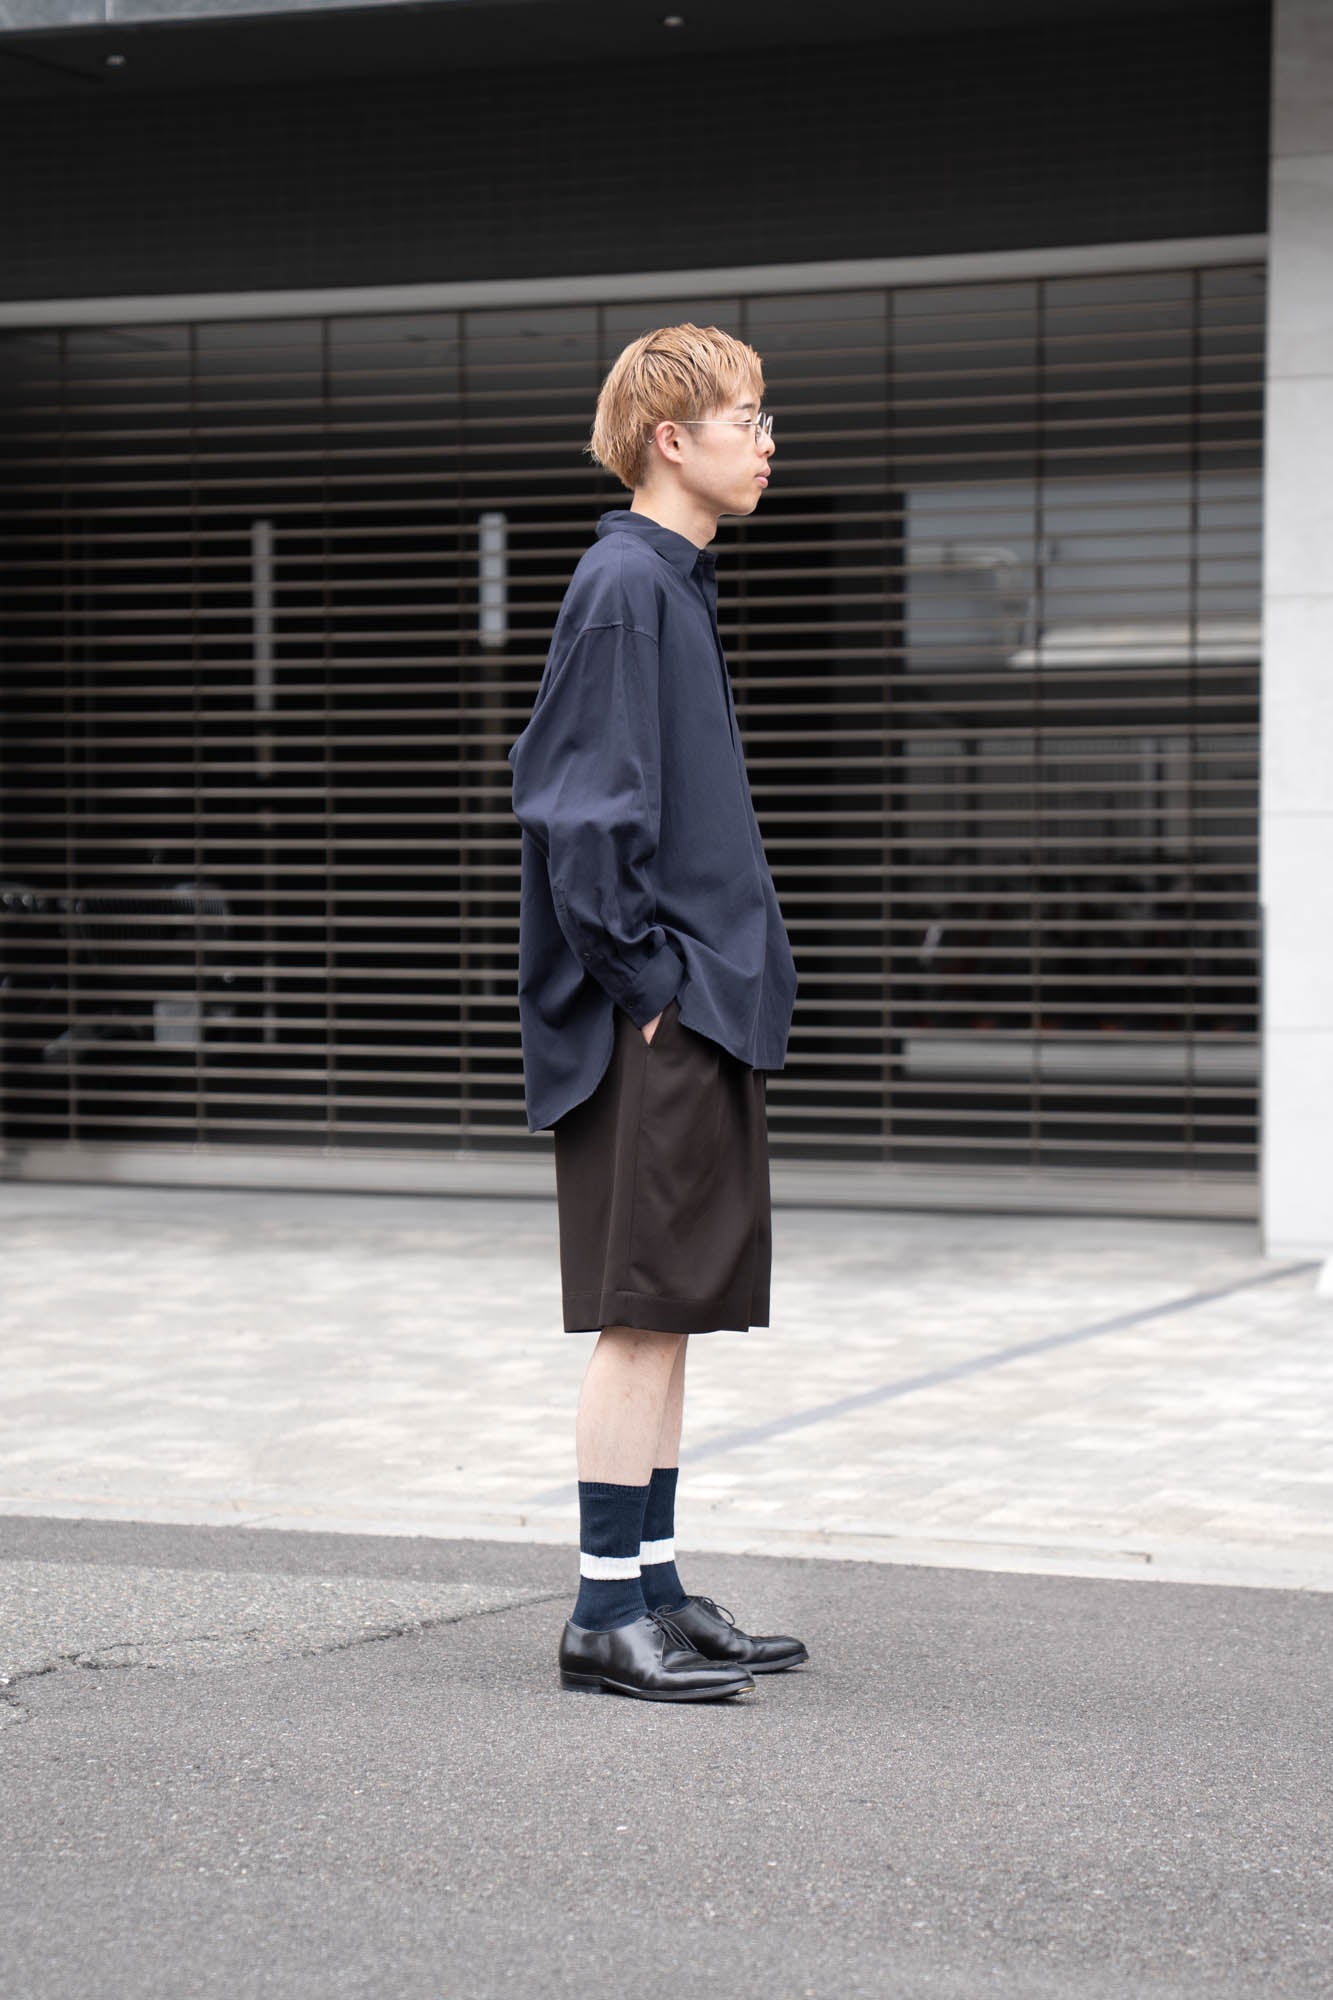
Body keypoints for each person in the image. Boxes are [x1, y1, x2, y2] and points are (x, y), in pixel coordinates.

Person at [507, 323, 805, 1702]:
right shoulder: (626, 585)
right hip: (659, 1013)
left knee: (672, 1306)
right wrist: (647, 984)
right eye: (748, 418)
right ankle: (600, 1615)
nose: (767, 441)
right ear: (670, 439)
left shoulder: (668, 585)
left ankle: (657, 1591)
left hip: (697, 1003)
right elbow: (578, 811)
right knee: (639, 1312)